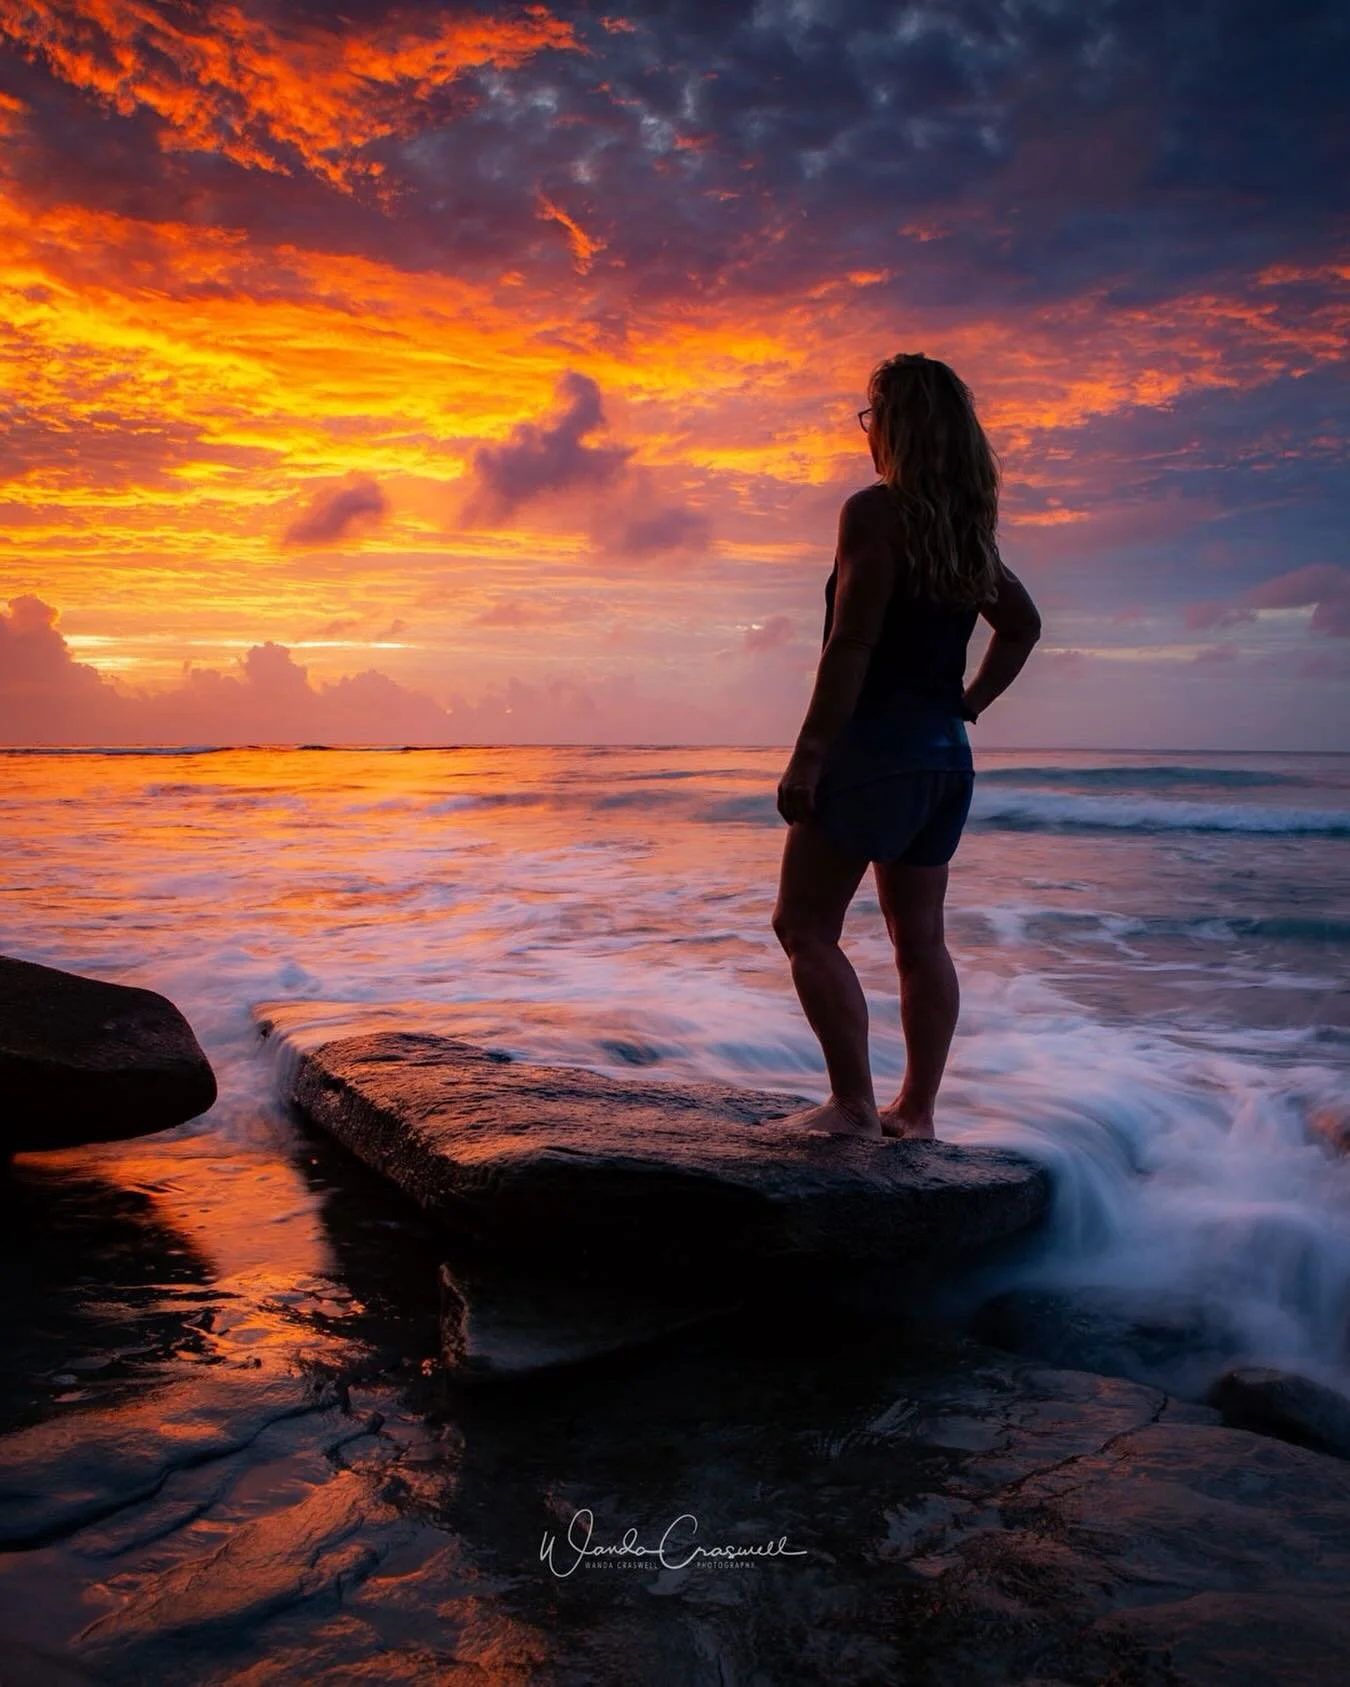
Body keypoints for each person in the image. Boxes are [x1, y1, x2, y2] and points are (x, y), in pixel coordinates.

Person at [772, 353, 1041, 1143]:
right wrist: (969, 705)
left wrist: (809, 754)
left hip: (874, 751)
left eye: (872, 416)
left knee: (803, 924)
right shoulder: (964, 532)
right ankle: (916, 1113)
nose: (867, 431)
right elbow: (1022, 626)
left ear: (893, 427)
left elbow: (852, 642)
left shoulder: (876, 513)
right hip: (943, 760)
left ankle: (853, 1105)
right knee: (919, 941)